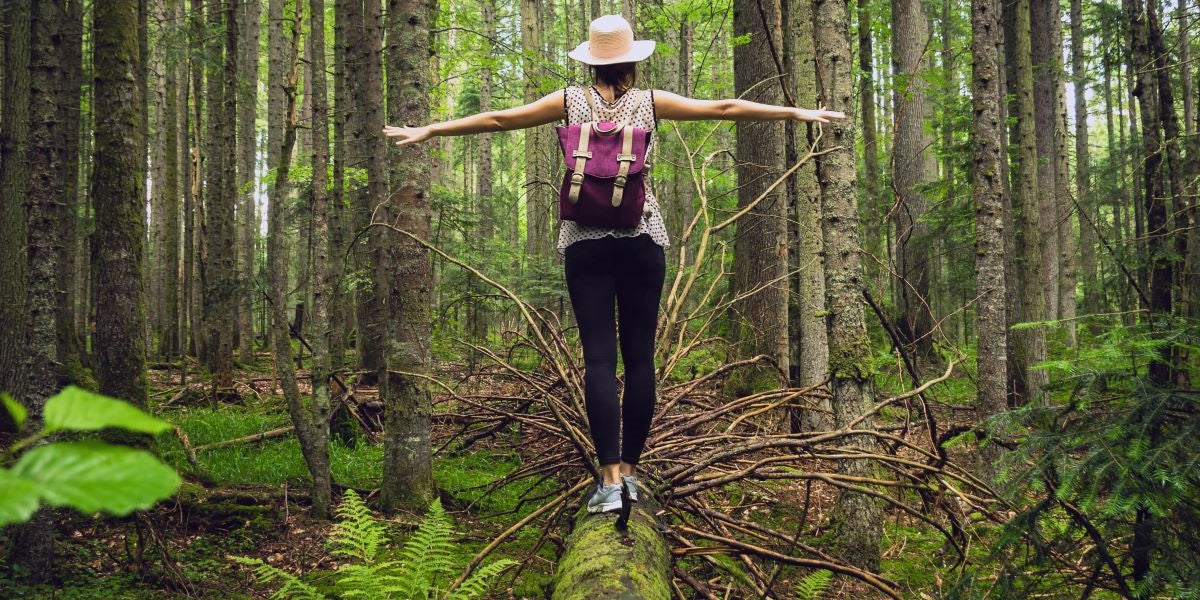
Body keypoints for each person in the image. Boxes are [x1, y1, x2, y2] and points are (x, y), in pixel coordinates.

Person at [384, 14, 846, 514]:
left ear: (591, 60)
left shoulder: (567, 101)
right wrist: (797, 113)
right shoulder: (649, 103)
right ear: (632, 60)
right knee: (641, 358)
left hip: (585, 242)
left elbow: (497, 120)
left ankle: (607, 482)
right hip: (641, 237)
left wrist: (430, 129)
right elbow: (725, 107)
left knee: (599, 359)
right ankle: (630, 474)